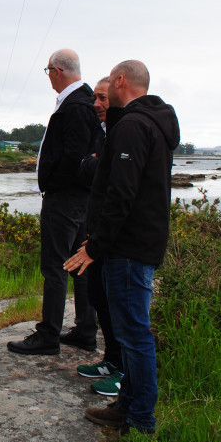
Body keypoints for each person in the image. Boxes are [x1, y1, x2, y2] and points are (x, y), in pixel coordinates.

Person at [64, 60, 180, 442]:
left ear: (119, 81)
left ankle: (141, 423)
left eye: (107, 86)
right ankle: (126, 405)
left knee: (135, 335)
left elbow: (122, 194)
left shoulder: (132, 125)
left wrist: (94, 247)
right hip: (135, 245)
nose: (103, 96)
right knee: (131, 333)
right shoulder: (149, 123)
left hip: (128, 249)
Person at [7, 49, 103, 356]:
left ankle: (49, 333)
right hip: (80, 198)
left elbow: (74, 157)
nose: (48, 77)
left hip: (65, 198)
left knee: (56, 265)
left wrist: (51, 182)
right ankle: (86, 331)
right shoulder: (84, 101)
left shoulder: (75, 106)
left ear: (57, 71)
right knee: (79, 264)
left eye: (48, 71)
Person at [76, 77, 125, 396]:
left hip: (117, 238)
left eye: (103, 99)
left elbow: (118, 187)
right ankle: (111, 359)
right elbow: (84, 169)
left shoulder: (125, 134)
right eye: (95, 98)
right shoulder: (100, 133)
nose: (96, 105)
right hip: (95, 230)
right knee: (99, 296)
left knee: (121, 305)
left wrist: (95, 165)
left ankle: (125, 373)